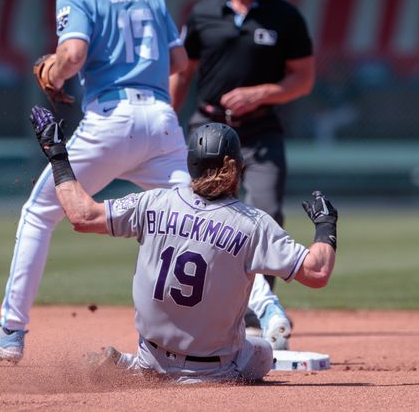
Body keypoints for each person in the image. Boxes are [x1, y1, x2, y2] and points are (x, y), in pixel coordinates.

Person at [0, 0, 291, 363]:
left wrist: (54, 71)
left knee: (40, 213)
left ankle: (11, 331)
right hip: (159, 121)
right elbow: (176, 64)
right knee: (211, 218)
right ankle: (268, 309)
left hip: (111, 120)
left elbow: (72, 55)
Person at [29, 105, 338, 383]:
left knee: (156, 357)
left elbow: (82, 215)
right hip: (216, 368)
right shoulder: (252, 223)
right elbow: (317, 272)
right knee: (264, 352)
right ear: (236, 168)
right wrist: (325, 227)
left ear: (191, 163)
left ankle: (134, 365)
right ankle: (149, 367)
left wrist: (57, 153)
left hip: (154, 355)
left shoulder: (154, 201)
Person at [170, 0, 316, 344]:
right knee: (196, 216)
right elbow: (183, 72)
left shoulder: (284, 16)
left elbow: (303, 79)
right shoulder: (201, 13)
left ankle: (261, 308)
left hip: (260, 129)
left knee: (267, 213)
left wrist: (262, 92)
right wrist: (167, 117)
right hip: (208, 130)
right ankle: (202, 304)